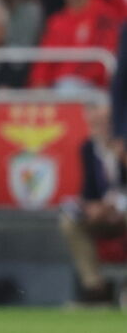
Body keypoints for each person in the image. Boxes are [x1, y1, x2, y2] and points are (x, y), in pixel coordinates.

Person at [59, 102, 126, 305]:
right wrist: (90, 207)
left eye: (105, 122)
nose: (100, 129)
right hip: (104, 216)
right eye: (95, 123)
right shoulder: (88, 148)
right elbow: (89, 190)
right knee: (70, 222)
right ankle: (95, 288)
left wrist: (116, 205)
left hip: (123, 213)